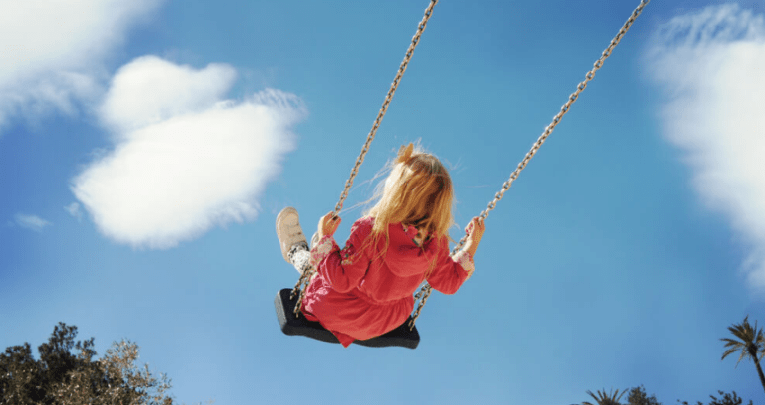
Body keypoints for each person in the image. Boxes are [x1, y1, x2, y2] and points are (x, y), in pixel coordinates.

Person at [276, 143, 485, 347]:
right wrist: (471, 244)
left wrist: (325, 236)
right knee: (333, 260)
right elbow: (450, 282)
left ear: (396, 191)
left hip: (338, 311)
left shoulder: (371, 230)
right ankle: (324, 249)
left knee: (320, 273)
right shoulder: (436, 245)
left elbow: (342, 279)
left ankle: (297, 251)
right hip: (384, 322)